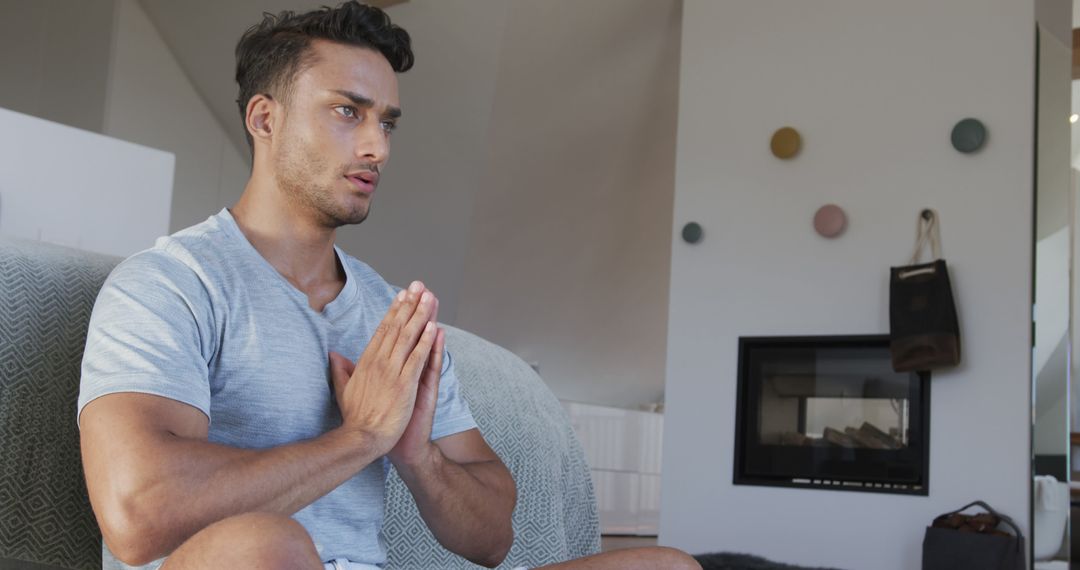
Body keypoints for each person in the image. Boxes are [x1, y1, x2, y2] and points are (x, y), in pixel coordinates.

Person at [77, 3, 701, 569]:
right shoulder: (170, 285)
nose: (378, 146)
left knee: (665, 567)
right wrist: (359, 438)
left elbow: (493, 539)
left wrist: (416, 454)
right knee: (267, 545)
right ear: (265, 119)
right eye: (348, 111)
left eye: (388, 123)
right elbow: (138, 515)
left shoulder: (390, 313)